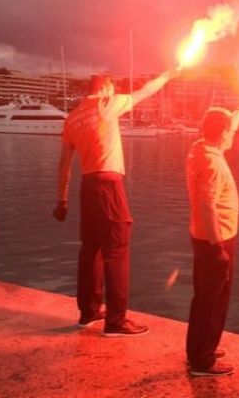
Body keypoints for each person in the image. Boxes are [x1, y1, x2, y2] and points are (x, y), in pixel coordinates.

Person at [53, 70, 176, 337]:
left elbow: (64, 164)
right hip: (109, 185)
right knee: (117, 250)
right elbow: (145, 92)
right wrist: (169, 75)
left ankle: (88, 312)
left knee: (91, 250)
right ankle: (116, 321)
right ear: (106, 87)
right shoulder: (108, 104)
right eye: (112, 85)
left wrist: (61, 200)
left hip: (87, 187)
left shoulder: (72, 119)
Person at [185, 96, 239, 377]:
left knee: (205, 297)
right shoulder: (212, 163)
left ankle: (201, 348)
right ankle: (203, 360)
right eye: (230, 131)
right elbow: (206, 204)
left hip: (205, 236)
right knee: (213, 300)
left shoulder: (199, 148)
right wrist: (217, 247)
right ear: (222, 133)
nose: (233, 134)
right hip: (215, 239)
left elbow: (228, 126)